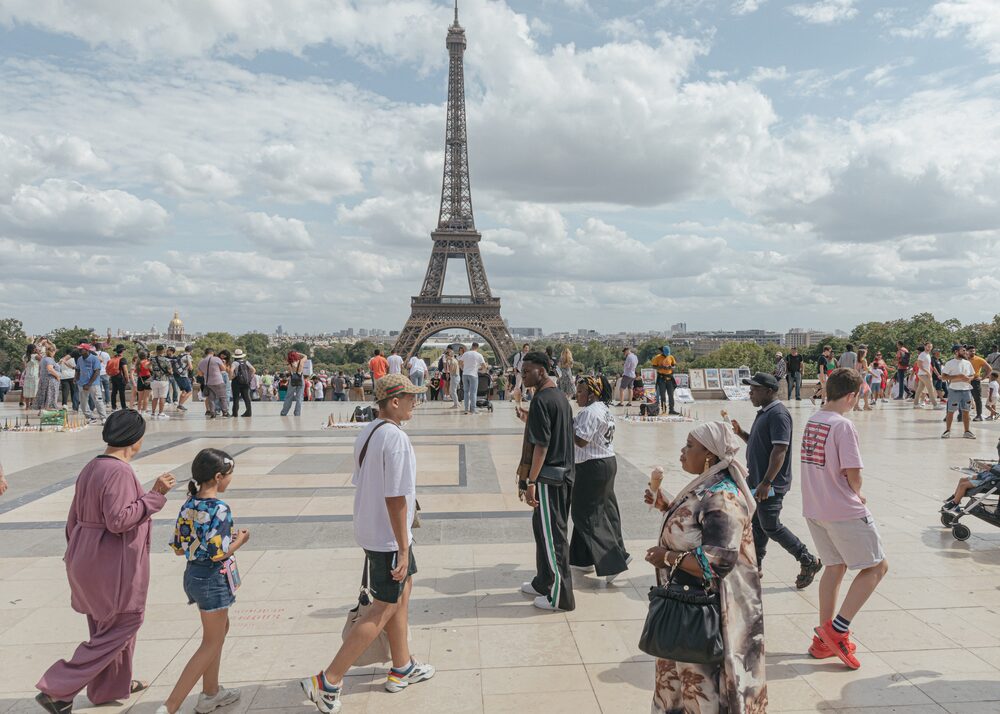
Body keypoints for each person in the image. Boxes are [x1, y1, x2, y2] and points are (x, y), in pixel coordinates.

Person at [301, 374, 434, 713]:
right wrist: (403, 548)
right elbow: (396, 497)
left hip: (374, 531)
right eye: (410, 397)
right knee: (382, 609)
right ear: (393, 401)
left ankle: (402, 665)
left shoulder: (368, 432)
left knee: (402, 594)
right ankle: (327, 680)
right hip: (390, 537)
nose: (415, 402)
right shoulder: (397, 439)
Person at [35, 410, 176, 713]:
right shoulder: (119, 472)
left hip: (85, 556)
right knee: (126, 620)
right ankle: (58, 687)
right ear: (135, 439)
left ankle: (110, 688)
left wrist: (78, 550)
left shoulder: (92, 467)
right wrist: (155, 495)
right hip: (112, 563)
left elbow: (73, 518)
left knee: (104, 626)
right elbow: (118, 520)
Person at [643, 422, 766, 712]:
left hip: (709, 615)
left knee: (703, 689)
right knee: (682, 684)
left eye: (689, 446)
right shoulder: (706, 485)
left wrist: (667, 557)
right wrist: (667, 505)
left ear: (709, 455)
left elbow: (716, 560)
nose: (682, 452)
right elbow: (697, 527)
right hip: (688, 608)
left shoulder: (723, 497)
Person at [801, 368, 889, 669]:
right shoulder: (843, 425)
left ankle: (822, 639)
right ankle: (837, 630)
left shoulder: (813, 420)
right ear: (852, 396)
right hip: (842, 509)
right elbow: (853, 472)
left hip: (815, 508)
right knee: (877, 567)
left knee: (835, 566)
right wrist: (858, 493)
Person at [158, 449, 247, 714]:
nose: (230, 480)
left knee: (220, 630)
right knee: (211, 641)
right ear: (218, 477)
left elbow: (177, 547)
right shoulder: (219, 508)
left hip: (193, 575)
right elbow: (219, 552)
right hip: (212, 578)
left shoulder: (188, 504)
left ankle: (211, 692)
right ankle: (170, 705)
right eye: (230, 476)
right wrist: (240, 540)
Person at [731, 373, 822, 588]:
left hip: (771, 483)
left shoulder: (778, 414)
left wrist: (767, 482)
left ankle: (807, 559)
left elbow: (780, 449)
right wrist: (741, 433)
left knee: (770, 525)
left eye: (755, 389)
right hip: (759, 480)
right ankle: (755, 566)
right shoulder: (765, 412)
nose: (750, 392)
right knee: (758, 524)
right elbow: (761, 443)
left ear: (769, 391)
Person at [515, 352, 576, 611]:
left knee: (553, 537)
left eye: (527, 371)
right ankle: (543, 581)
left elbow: (541, 446)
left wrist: (531, 481)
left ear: (541, 370)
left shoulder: (540, 399)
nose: (523, 376)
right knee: (543, 531)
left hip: (549, 478)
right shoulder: (558, 396)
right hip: (562, 474)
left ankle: (561, 597)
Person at [569, 375, 630, 585]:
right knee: (603, 509)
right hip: (606, 462)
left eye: (580, 392)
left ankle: (612, 563)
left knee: (585, 514)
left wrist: (564, 426)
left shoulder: (589, 412)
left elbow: (581, 440)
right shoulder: (603, 409)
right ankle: (582, 557)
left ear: (591, 393)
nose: (576, 396)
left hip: (591, 466)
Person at [942, 344, 976, 439]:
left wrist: (969, 378)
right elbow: (944, 377)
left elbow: (973, 375)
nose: (965, 352)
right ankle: (947, 431)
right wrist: (959, 376)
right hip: (954, 391)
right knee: (951, 411)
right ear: (956, 352)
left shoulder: (967, 363)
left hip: (966, 390)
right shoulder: (950, 363)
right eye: (963, 350)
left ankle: (967, 431)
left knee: (966, 411)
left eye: (965, 350)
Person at [77, 344, 109, 425]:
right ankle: (89, 417)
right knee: (83, 402)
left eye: (81, 349)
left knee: (98, 401)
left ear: (87, 350)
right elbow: (77, 369)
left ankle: (103, 418)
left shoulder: (94, 359)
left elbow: (97, 372)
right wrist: (76, 378)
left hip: (93, 384)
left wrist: (89, 384)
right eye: (79, 349)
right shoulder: (79, 359)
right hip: (81, 384)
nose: (79, 350)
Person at [197, 349, 228, 419]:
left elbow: (200, 374)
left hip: (208, 383)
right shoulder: (216, 359)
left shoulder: (201, 362)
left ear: (205, 353)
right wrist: (224, 363)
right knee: (223, 397)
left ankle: (213, 413)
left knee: (211, 399)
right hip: (218, 381)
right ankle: (225, 413)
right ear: (212, 353)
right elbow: (223, 369)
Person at [650, 345, 680, 416]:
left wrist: (670, 367)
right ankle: (664, 410)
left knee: (671, 395)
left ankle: (671, 410)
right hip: (661, 378)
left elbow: (674, 365)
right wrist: (660, 367)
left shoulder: (671, 357)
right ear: (662, 352)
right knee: (662, 395)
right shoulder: (657, 357)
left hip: (669, 378)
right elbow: (653, 366)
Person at [459, 343, 486, 414]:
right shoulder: (479, 355)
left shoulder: (466, 354)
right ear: (477, 347)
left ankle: (466, 409)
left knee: (466, 392)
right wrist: (481, 371)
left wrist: (463, 369)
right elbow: (484, 366)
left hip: (465, 374)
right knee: (473, 393)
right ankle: (473, 410)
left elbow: (460, 362)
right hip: (473, 375)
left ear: (471, 346)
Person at [229, 349, 256, 417]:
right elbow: (253, 370)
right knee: (247, 398)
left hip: (236, 382)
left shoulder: (235, 363)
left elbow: (231, 370)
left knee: (236, 398)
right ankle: (248, 412)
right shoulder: (246, 362)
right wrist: (250, 378)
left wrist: (231, 377)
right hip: (246, 383)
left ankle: (235, 413)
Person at [149, 346, 173, 421]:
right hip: (163, 380)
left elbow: (147, 366)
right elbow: (170, 371)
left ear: (156, 350)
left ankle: (153, 412)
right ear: (164, 351)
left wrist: (153, 371)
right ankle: (161, 413)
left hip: (154, 380)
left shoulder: (152, 359)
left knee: (155, 397)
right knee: (162, 397)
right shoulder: (166, 360)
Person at [35, 344, 61, 411]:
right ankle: (48, 411)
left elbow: (40, 369)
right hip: (50, 380)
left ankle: (43, 411)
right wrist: (57, 376)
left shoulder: (43, 359)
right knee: (50, 396)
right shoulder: (49, 359)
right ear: (53, 352)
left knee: (44, 396)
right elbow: (50, 369)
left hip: (43, 380)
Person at [967, 345, 990, 422]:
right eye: (971, 351)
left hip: (975, 381)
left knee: (977, 398)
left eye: (974, 351)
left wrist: (983, 378)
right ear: (967, 351)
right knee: (964, 398)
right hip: (964, 381)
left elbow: (989, 369)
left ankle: (979, 415)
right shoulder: (964, 359)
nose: (972, 352)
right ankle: (963, 415)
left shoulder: (979, 359)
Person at [912, 342, 938, 409]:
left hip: (924, 374)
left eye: (931, 347)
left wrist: (929, 373)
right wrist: (927, 372)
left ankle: (915, 404)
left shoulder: (928, 355)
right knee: (930, 388)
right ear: (925, 346)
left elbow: (928, 366)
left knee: (919, 389)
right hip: (923, 374)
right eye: (928, 346)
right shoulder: (922, 354)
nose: (929, 348)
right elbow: (919, 365)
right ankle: (935, 405)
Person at [280, 351, 306, 417]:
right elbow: (305, 356)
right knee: (299, 398)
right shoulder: (301, 362)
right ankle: (297, 413)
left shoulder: (289, 364)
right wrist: (298, 353)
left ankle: (284, 412)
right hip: (300, 379)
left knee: (289, 397)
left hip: (292, 379)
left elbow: (286, 360)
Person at [107, 346, 129, 411]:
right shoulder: (122, 359)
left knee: (114, 392)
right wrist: (127, 378)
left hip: (113, 376)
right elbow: (125, 370)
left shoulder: (113, 358)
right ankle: (123, 407)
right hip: (120, 377)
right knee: (121, 392)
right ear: (122, 351)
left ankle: (113, 407)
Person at [173, 346, 194, 412]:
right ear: (191, 351)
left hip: (176, 375)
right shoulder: (188, 356)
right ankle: (180, 405)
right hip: (183, 376)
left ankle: (179, 406)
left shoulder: (180, 355)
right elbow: (191, 367)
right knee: (190, 391)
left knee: (184, 391)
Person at [22, 343, 40, 409]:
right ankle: (32, 405)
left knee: (27, 390)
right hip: (35, 375)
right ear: (33, 349)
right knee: (34, 390)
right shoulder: (35, 356)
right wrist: (38, 353)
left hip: (27, 375)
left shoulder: (24, 356)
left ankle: (27, 406)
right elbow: (43, 360)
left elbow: (24, 366)